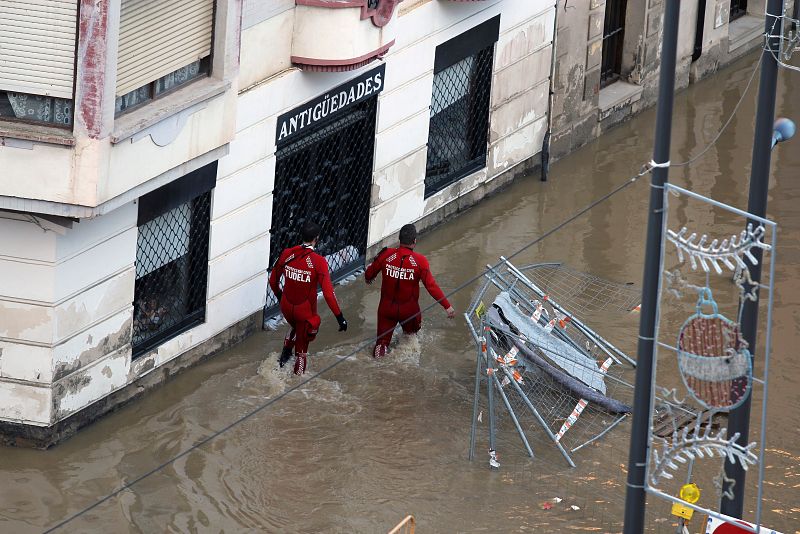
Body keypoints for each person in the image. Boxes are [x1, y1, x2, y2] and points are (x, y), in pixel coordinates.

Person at [365, 223, 455, 358]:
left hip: (386, 309)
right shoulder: (420, 261)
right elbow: (431, 286)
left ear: (399, 239)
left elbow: (368, 275)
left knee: (381, 343)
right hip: (409, 311)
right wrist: (447, 306)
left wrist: (372, 276)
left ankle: (377, 364)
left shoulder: (386, 254)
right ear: (415, 241)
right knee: (410, 338)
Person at [269, 221, 348, 375]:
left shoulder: (287, 253)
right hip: (304, 312)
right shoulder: (319, 262)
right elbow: (328, 294)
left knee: (294, 326)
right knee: (301, 352)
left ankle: (283, 359)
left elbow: (273, 281)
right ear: (316, 238)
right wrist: (340, 318)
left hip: (286, 307)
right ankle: (297, 382)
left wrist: (281, 298)